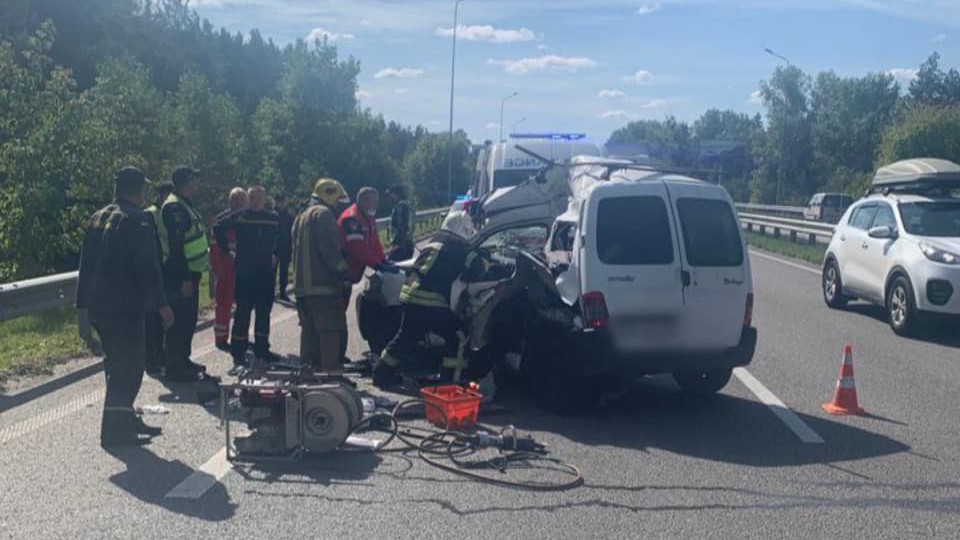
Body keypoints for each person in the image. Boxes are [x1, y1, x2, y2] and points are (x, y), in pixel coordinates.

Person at [76, 166, 174, 447]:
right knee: (129, 368)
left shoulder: (98, 216)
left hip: (99, 306)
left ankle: (125, 418)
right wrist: (162, 304)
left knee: (116, 365)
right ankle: (115, 432)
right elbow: (147, 266)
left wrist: (82, 308)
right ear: (138, 190)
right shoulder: (137, 220)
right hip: (124, 307)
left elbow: (85, 266)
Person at [373, 227, 492, 390]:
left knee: (405, 337)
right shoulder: (460, 245)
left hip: (410, 295)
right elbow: (478, 268)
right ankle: (451, 382)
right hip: (431, 300)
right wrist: (486, 260)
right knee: (459, 336)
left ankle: (381, 374)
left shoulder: (436, 238)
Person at [215, 186, 280, 367]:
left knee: (263, 313)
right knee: (242, 313)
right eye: (252, 197)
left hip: (266, 274)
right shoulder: (241, 216)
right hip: (245, 274)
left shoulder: (273, 217)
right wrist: (228, 250)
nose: (256, 201)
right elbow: (217, 227)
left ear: (264, 198)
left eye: (259, 197)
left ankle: (262, 350)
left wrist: (277, 254)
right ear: (248, 199)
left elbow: (283, 238)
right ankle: (238, 352)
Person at [293, 178, 352, 373]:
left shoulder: (301, 216)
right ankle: (331, 377)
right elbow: (330, 250)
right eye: (337, 201)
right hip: (323, 287)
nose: (337, 206)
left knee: (309, 333)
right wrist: (343, 271)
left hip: (303, 289)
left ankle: (308, 377)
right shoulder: (324, 214)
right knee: (329, 332)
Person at [161, 166, 210, 382]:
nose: (197, 184)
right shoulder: (174, 207)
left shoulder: (184, 204)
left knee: (188, 321)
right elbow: (176, 247)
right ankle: (175, 366)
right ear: (185, 182)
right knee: (179, 322)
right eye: (194, 180)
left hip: (191, 272)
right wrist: (184, 279)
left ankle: (183, 360)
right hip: (181, 274)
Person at [210, 187, 248, 352]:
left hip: (242, 271)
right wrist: (217, 269)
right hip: (225, 270)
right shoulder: (222, 221)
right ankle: (221, 338)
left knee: (243, 305)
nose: (239, 203)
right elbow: (214, 247)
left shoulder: (248, 219)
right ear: (230, 201)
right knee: (223, 305)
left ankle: (241, 337)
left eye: (242, 199)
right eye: (236, 199)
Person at [143, 181, 174, 376]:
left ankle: (161, 355)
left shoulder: (168, 212)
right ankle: (151, 359)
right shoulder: (150, 213)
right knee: (152, 318)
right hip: (154, 269)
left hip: (165, 268)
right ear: (161, 195)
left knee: (161, 319)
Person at [339, 187, 387, 287]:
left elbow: (374, 242)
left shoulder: (368, 216)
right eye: (373, 202)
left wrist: (383, 260)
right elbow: (357, 249)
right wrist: (377, 264)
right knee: (340, 300)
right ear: (363, 201)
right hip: (342, 271)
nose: (376, 206)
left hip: (353, 270)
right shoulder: (351, 219)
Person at [274, 193, 295, 301]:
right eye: (281, 201)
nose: (283, 203)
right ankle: (270, 292)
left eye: (284, 201)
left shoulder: (288, 215)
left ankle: (282, 292)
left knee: (284, 271)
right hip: (274, 247)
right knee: (272, 271)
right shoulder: (273, 214)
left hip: (286, 246)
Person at [385, 184, 414, 261]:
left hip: (401, 244)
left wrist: (397, 242)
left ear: (397, 194)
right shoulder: (408, 204)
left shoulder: (401, 206)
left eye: (392, 194)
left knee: (391, 265)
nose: (390, 197)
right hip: (408, 243)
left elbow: (402, 226)